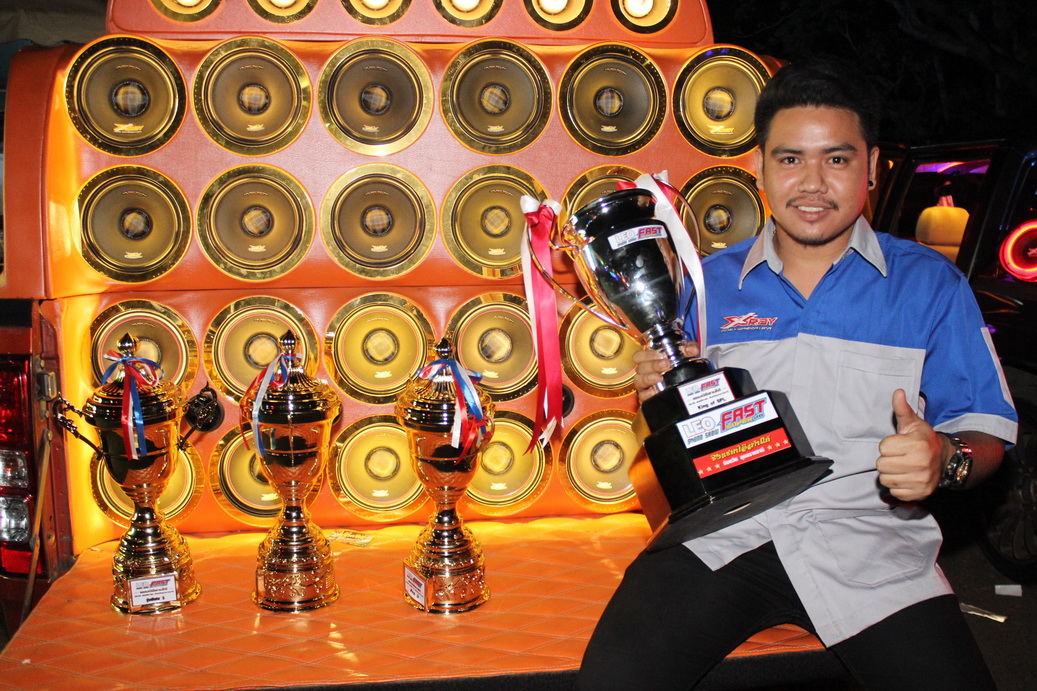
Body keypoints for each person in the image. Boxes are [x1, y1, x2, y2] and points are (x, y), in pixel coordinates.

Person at [576, 58, 1018, 690]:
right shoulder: (701, 284)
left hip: (872, 546)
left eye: (836, 159)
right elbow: (667, 440)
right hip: (719, 540)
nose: (813, 183)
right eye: (790, 159)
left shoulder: (929, 286)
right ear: (758, 167)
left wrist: (945, 459)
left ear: (871, 167)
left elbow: (987, 431)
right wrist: (654, 401)